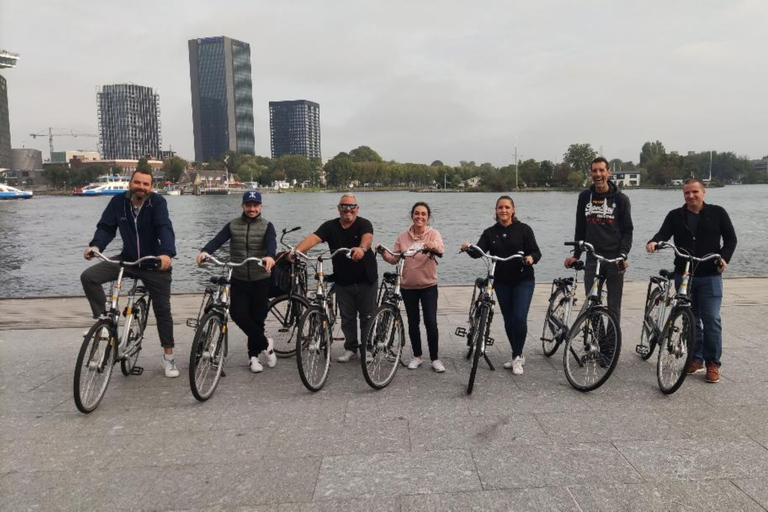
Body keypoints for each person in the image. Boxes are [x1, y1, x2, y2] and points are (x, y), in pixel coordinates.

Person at [81, 168, 179, 378]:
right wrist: (96, 246)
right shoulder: (118, 202)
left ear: (151, 187)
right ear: (130, 184)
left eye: (146, 184)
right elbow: (106, 228)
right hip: (128, 259)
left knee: (163, 312)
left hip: (153, 263)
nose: (141, 187)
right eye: (137, 183)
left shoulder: (157, 203)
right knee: (89, 277)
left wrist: (166, 254)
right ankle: (103, 323)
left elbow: (164, 228)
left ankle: (168, 357)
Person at [646, 178, 737, 384]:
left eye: (695, 192)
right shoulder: (675, 216)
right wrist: (654, 242)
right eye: (687, 193)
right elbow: (663, 234)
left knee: (711, 319)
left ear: (703, 192)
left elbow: (731, 239)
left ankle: (713, 362)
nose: (691, 196)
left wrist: (724, 257)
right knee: (690, 318)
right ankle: (695, 359)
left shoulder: (718, 213)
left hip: (710, 274)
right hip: (684, 274)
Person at [196, 191, 277, 373]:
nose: (252, 209)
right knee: (238, 314)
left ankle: (253, 357)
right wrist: (205, 251)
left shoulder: (267, 226)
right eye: (248, 205)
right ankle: (266, 344)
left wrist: (270, 257)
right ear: (243, 206)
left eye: (255, 205)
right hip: (239, 277)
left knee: (258, 319)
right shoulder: (233, 225)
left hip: (260, 278)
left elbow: (271, 243)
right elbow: (218, 240)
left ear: (260, 207)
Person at [461, 196, 541, 375]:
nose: (503, 210)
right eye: (500, 208)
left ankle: (517, 355)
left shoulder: (524, 230)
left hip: (523, 280)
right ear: (495, 210)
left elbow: (536, 251)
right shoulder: (490, 232)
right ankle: (516, 354)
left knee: (519, 317)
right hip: (501, 281)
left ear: (513, 210)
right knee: (508, 318)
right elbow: (479, 251)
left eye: (507, 207)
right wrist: (468, 248)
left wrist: (530, 258)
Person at [294, 193, 377, 363]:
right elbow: (313, 239)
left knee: (367, 316)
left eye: (352, 206)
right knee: (347, 317)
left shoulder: (364, 223)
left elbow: (367, 239)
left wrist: (361, 249)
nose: (348, 210)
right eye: (344, 206)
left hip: (366, 279)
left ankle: (367, 348)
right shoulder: (330, 226)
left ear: (357, 209)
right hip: (343, 280)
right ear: (339, 208)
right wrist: (296, 252)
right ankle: (351, 348)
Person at [564, 156, 633, 323]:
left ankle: (611, 347)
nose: (598, 174)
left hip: (614, 260)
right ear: (591, 173)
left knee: (613, 306)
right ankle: (597, 344)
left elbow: (628, 230)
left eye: (601, 170)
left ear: (608, 172)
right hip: (592, 259)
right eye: (595, 170)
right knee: (592, 304)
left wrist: (623, 255)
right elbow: (580, 227)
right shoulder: (584, 197)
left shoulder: (621, 199)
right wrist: (577, 255)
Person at [379, 202, 446, 372]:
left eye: (423, 214)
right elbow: (394, 258)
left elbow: (440, 249)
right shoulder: (402, 236)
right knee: (413, 322)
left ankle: (435, 358)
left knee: (430, 322)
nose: (420, 217)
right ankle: (417, 356)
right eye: (417, 213)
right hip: (408, 286)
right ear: (412, 215)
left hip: (428, 285)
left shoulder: (433, 233)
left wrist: (430, 245)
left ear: (428, 217)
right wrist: (382, 252)